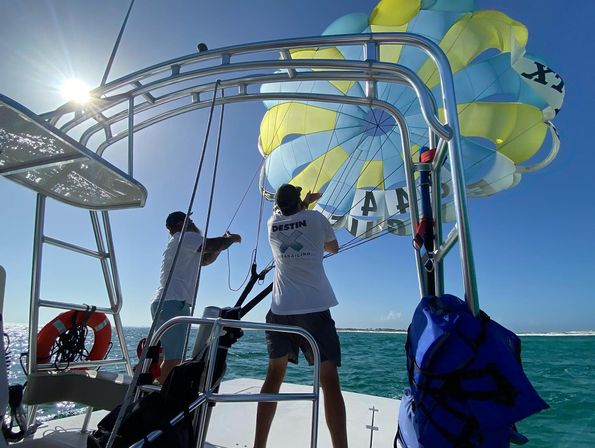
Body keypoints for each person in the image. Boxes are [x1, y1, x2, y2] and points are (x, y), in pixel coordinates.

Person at [254, 184, 347, 448]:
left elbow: (291, 218)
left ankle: (259, 445)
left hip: (281, 310)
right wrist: (310, 206)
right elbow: (333, 247)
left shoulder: (272, 224)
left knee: (273, 376)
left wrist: (303, 203)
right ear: (299, 202)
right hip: (315, 309)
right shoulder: (317, 218)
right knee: (328, 380)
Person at [151, 211, 241, 383]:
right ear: (181, 224)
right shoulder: (185, 237)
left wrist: (222, 242)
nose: (192, 223)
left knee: (169, 357)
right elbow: (212, 245)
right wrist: (231, 239)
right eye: (189, 220)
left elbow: (205, 260)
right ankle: (160, 402)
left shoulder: (178, 242)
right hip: (173, 304)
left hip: (166, 304)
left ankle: (155, 395)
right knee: (173, 360)